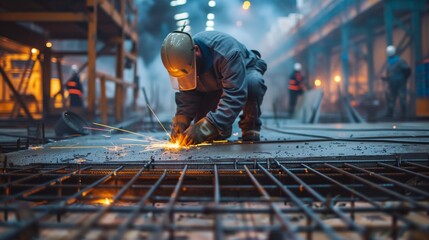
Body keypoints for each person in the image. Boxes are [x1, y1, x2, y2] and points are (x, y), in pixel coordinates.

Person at [160, 30, 267, 146]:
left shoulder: (227, 52)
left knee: (252, 83)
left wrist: (210, 125)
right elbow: (188, 93)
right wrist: (182, 119)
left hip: (244, 71)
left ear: (196, 51)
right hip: (213, 82)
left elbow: (235, 94)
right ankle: (223, 129)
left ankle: (250, 125)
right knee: (204, 133)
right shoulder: (183, 61)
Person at [382, 45, 411, 118]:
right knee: (392, 99)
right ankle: (390, 114)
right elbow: (391, 74)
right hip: (392, 83)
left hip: (399, 83)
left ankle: (403, 114)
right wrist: (386, 79)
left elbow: (407, 70)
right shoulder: (389, 62)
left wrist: (404, 79)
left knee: (401, 98)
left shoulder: (400, 61)